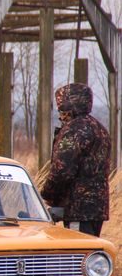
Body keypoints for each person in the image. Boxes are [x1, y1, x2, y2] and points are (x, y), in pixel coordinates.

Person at [41, 83, 110, 236]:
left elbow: (62, 170)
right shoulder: (99, 129)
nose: (61, 115)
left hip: (77, 209)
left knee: (78, 254)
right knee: (90, 252)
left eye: (62, 110)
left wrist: (46, 196)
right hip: (97, 209)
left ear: (69, 106)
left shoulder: (74, 130)